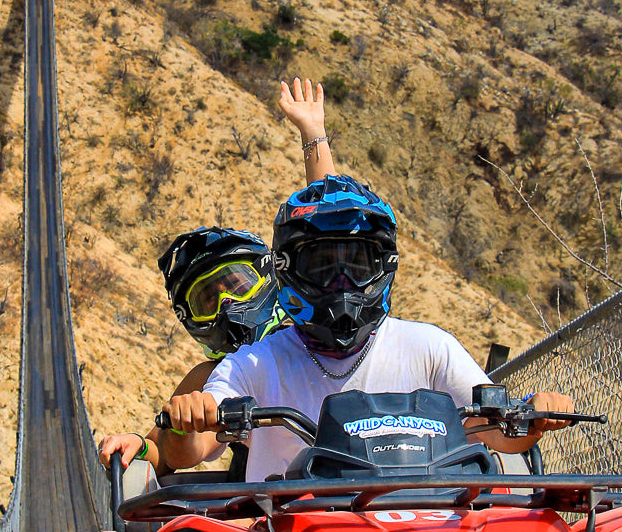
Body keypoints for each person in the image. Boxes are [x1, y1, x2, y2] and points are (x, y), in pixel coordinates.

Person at [161, 174, 575, 481]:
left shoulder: (429, 348)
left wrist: (535, 416)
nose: (341, 282)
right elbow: (193, 449)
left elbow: (500, 436)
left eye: (356, 265)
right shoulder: (255, 362)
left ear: (384, 268)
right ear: (289, 270)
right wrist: (189, 419)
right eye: (323, 265)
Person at [98, 79, 338, 476]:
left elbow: (328, 232)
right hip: (275, 516)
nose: (227, 305)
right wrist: (140, 444)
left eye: (237, 284)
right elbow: (171, 453)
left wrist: (313, 135)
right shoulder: (217, 375)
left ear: (268, 277)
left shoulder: (321, 327)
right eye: (208, 300)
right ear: (192, 319)